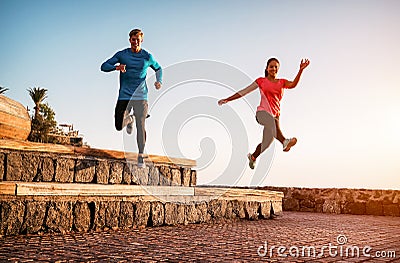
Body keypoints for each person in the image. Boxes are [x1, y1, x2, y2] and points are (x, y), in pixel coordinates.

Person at [218, 57, 310, 169]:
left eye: (276, 67)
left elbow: (293, 84)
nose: (274, 68)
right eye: (271, 66)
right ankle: (284, 141)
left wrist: (301, 70)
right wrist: (228, 99)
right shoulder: (261, 81)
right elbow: (244, 91)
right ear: (267, 68)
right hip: (262, 113)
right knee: (272, 123)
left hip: (275, 117)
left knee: (266, 143)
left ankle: (253, 157)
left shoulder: (282, 82)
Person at [101, 29, 162, 168]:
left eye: (138, 40)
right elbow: (104, 66)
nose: (135, 42)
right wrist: (117, 67)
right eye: (133, 39)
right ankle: (130, 119)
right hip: (125, 96)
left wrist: (159, 81)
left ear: (142, 41)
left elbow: (158, 69)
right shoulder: (122, 55)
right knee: (118, 125)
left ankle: (141, 156)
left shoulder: (147, 56)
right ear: (129, 40)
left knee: (141, 126)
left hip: (141, 97)